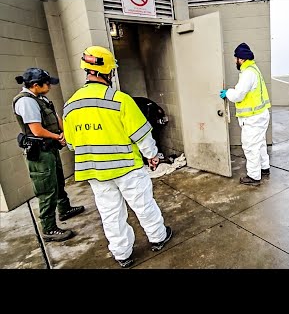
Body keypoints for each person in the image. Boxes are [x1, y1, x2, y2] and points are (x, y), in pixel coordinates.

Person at [62, 46, 173, 268]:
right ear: (108, 72)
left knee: (110, 214)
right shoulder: (120, 100)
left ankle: (122, 254)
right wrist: (152, 156)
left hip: (95, 172)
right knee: (143, 205)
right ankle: (158, 237)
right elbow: (142, 135)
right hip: (127, 169)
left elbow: (73, 144)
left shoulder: (70, 106)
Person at [13, 68, 85, 242]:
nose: (50, 86)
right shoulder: (26, 101)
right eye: (47, 83)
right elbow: (36, 130)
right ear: (35, 85)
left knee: (58, 181)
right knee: (47, 189)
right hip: (40, 153)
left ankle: (64, 209)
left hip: (50, 148)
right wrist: (58, 137)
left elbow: (55, 118)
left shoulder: (40, 98)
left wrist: (64, 133)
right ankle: (49, 228)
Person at [220, 42, 271, 186]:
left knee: (250, 147)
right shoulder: (254, 69)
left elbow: (238, 95)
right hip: (260, 115)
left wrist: (227, 93)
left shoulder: (248, 73)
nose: (234, 61)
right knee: (260, 143)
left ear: (241, 59)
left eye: (235, 58)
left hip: (253, 118)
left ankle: (254, 177)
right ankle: (264, 167)